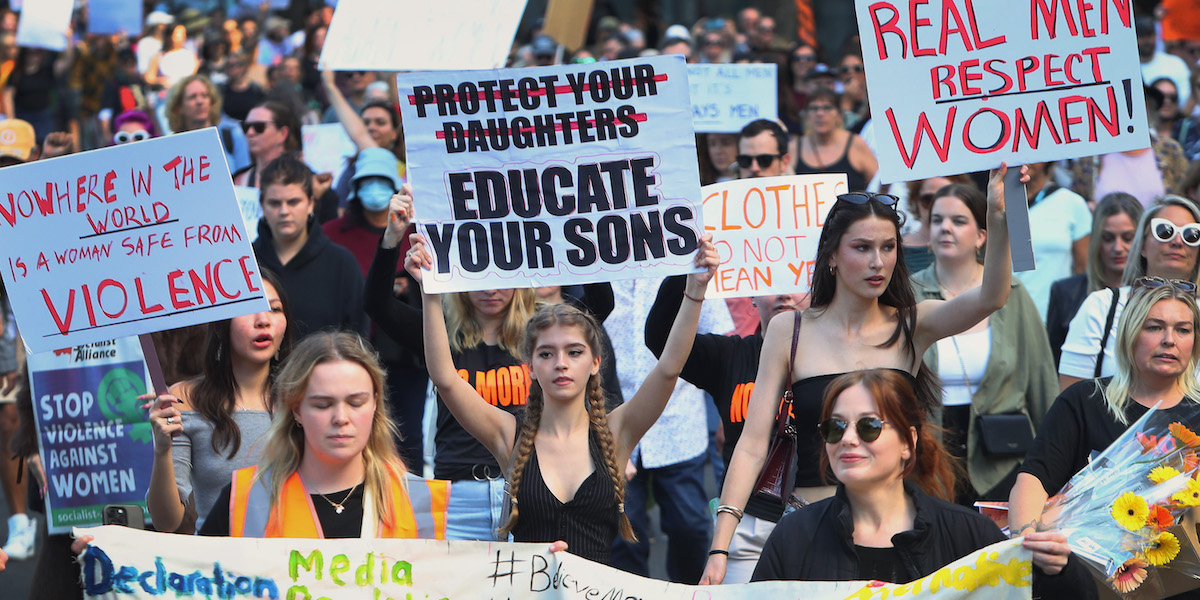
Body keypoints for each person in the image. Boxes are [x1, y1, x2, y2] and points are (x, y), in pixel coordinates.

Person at [702, 165, 1018, 585]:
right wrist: (721, 546)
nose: (878, 262)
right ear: (831, 255)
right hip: (809, 529)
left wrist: (999, 217)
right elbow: (752, 445)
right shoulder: (789, 330)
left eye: (889, 248)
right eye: (863, 247)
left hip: (896, 531)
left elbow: (993, 297)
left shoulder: (912, 324)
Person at [406, 220, 718, 564]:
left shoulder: (615, 432)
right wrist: (430, 291)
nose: (560, 363)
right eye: (546, 354)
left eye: (574, 352)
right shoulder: (509, 434)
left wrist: (695, 292)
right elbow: (446, 379)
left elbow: (669, 368)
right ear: (531, 366)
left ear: (596, 362)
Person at [753, 370, 1092, 597]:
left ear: (907, 442)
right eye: (835, 428)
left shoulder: (968, 536)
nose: (848, 439)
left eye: (868, 426)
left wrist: (1057, 570)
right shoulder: (793, 538)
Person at [363, 194, 541, 540]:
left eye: (500, 275)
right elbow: (376, 305)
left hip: (530, 487)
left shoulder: (543, 335)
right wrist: (392, 238)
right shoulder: (439, 333)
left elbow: (597, 306)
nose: (489, 289)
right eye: (478, 275)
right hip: (456, 495)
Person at [1011, 280, 1200, 598]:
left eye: (1183, 330)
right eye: (1154, 327)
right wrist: (1029, 542)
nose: (1170, 340)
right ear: (1130, 333)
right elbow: (1033, 479)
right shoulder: (1084, 401)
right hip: (1085, 580)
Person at [644, 275, 808, 582]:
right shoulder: (730, 356)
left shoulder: (836, 360)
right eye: (772, 280)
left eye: (796, 278)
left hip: (818, 518)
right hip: (745, 525)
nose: (785, 293)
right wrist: (688, 269)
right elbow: (659, 338)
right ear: (751, 297)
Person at [910, 183, 1057, 504]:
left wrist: (1052, 467)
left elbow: (1042, 383)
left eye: (959, 221)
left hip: (1003, 462)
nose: (945, 227)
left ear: (981, 235)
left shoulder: (1013, 293)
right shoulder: (907, 296)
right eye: (937, 220)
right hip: (929, 460)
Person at [145, 271, 293, 533]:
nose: (263, 321)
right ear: (223, 322)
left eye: (274, 309)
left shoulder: (302, 400)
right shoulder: (184, 400)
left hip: (293, 563)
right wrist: (161, 450)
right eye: (248, 309)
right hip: (219, 566)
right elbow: (166, 521)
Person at [1059, 196, 1200, 388]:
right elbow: (1071, 403)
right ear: (1142, 244)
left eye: (1191, 235)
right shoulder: (1101, 306)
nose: (1177, 241)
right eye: (1164, 231)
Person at [251, 155, 365, 338]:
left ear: (311, 204)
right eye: (274, 203)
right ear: (262, 206)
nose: (284, 211)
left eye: (293, 202)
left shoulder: (341, 263)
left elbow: (358, 340)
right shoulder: (245, 264)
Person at [1046, 193, 1143, 366]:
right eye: (1108, 238)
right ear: (1096, 239)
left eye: (1128, 238)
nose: (1118, 248)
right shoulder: (1065, 293)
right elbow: (1051, 365)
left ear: (1142, 240)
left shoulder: (1154, 293)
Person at [792, 88, 876, 192]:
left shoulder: (856, 144)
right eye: (814, 108)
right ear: (807, 114)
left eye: (827, 108)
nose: (820, 113)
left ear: (839, 115)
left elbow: (878, 185)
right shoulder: (794, 147)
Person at [233, 100, 301, 189]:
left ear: (282, 133)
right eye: (245, 127)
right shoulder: (238, 180)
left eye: (259, 127)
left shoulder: (303, 178)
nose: (250, 133)